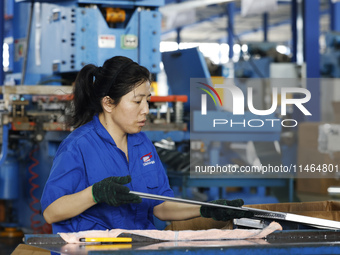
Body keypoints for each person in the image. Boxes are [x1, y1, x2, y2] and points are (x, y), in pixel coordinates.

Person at [40, 56, 253, 234]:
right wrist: (94, 194)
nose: (145, 110)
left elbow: (161, 206)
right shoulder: (79, 146)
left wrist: (207, 209)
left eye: (147, 100)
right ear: (108, 103)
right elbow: (51, 212)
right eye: (137, 101)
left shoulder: (141, 143)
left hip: (139, 246)